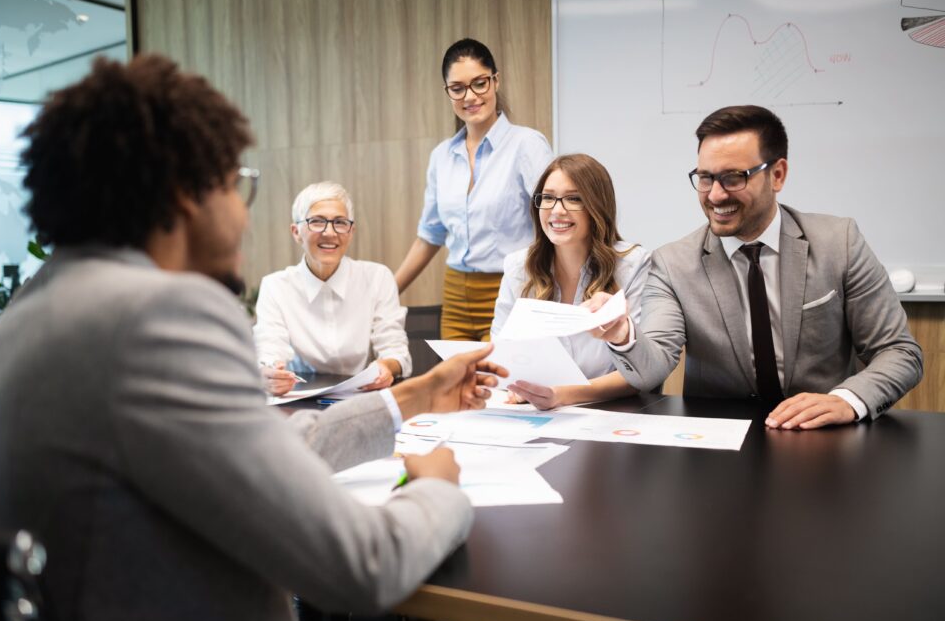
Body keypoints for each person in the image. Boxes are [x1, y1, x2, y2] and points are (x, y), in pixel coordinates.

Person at [0, 55, 507, 621]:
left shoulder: (30, 315)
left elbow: (257, 456)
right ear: (186, 195)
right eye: (237, 187)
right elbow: (363, 566)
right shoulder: (159, 318)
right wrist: (440, 490)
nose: (243, 213)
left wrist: (410, 397)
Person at [591, 104, 923, 429]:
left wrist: (847, 400)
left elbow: (899, 351)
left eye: (734, 178)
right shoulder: (672, 264)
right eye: (705, 178)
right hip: (717, 443)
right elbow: (652, 368)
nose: (716, 195)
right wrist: (622, 336)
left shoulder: (839, 243)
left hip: (821, 439)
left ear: (777, 175)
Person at [394, 38, 553, 341]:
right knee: (458, 387)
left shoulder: (527, 145)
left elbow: (555, 223)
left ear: (495, 80)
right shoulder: (441, 155)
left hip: (513, 289)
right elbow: (429, 236)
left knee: (502, 384)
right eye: (457, 88)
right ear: (447, 92)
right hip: (456, 297)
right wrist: (385, 294)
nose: (470, 96)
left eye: (480, 83)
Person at [491, 154, 651, 409]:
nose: (557, 210)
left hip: (610, 413)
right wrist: (523, 388)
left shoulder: (633, 264)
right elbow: (501, 357)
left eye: (574, 199)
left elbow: (641, 371)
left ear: (597, 206)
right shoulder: (517, 267)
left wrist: (560, 395)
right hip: (534, 413)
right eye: (549, 198)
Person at [254, 181, 411, 395]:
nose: (329, 233)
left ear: (351, 231)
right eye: (317, 222)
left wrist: (386, 367)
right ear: (296, 232)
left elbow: (395, 349)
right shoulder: (275, 286)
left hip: (360, 397)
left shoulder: (377, 277)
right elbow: (269, 350)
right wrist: (270, 374)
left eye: (340, 222)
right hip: (299, 399)